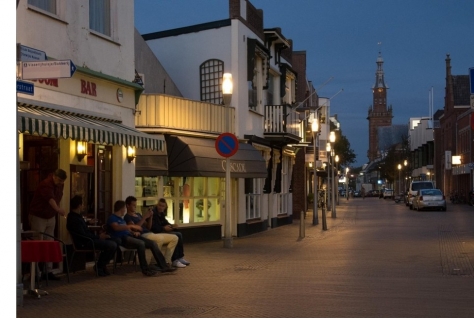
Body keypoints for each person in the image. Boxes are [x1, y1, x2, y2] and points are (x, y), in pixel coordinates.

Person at [106, 200, 176, 276]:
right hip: (123, 238)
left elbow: (128, 229)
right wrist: (131, 226)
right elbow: (116, 228)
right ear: (122, 208)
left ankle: (163, 266)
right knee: (141, 244)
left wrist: (133, 232)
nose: (125, 210)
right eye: (124, 208)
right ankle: (146, 270)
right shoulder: (112, 218)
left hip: (130, 235)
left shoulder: (121, 219)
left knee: (152, 243)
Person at [28, 168, 67, 281]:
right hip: (38, 216)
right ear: (54, 176)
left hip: (50, 216)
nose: (61, 183)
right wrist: (58, 210)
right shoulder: (46, 184)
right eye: (59, 180)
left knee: (49, 243)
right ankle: (35, 273)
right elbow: (50, 199)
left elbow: (57, 198)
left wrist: (55, 211)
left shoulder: (60, 184)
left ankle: (48, 271)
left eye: (62, 181)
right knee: (37, 243)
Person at [66, 195, 117, 276]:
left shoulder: (76, 217)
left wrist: (88, 223)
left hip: (87, 239)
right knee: (112, 245)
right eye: (82, 204)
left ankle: (102, 265)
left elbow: (80, 228)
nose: (83, 206)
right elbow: (82, 234)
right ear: (79, 206)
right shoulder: (74, 219)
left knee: (113, 241)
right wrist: (99, 237)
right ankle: (100, 266)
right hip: (84, 242)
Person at [124, 196, 180, 268]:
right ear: (127, 206)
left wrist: (150, 217)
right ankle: (154, 263)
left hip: (149, 233)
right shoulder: (127, 217)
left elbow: (148, 227)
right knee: (159, 239)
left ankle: (166, 261)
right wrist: (145, 217)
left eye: (135, 204)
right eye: (133, 205)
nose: (135, 206)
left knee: (175, 238)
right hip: (142, 235)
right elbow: (134, 228)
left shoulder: (138, 215)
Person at [150, 198, 190, 268]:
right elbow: (153, 227)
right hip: (156, 233)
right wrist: (163, 228)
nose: (161, 207)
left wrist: (172, 226)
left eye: (163, 206)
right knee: (177, 235)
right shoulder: (154, 214)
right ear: (157, 205)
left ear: (165, 207)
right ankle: (174, 260)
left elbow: (165, 222)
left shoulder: (161, 214)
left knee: (178, 233)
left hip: (162, 231)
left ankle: (179, 257)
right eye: (159, 205)